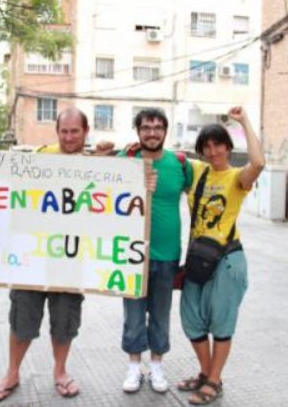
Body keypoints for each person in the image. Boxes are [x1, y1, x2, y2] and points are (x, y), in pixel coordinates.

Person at [0, 107, 89, 403]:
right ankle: (12, 373)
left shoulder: (100, 166)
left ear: (86, 131)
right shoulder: (38, 159)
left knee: (65, 320)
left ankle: (60, 372)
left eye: (74, 131)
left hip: (71, 259)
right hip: (31, 257)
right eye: (64, 131)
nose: (69, 137)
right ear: (57, 132)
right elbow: (3, 188)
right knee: (22, 318)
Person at [177, 107, 265, 405]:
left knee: (222, 323)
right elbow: (164, 158)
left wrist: (244, 120)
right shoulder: (198, 171)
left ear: (228, 147)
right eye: (207, 147)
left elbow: (259, 162)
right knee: (191, 319)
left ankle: (214, 380)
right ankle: (205, 373)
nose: (213, 151)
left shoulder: (237, 178)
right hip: (197, 259)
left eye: (218, 144)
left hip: (227, 261)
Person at [117, 108, 193, 394]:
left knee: (161, 314)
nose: (152, 132)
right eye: (146, 127)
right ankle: (134, 367)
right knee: (133, 314)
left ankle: (157, 367)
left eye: (158, 127)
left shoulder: (181, 165)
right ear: (137, 131)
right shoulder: (124, 160)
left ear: (165, 131)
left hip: (168, 254)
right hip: (132, 253)